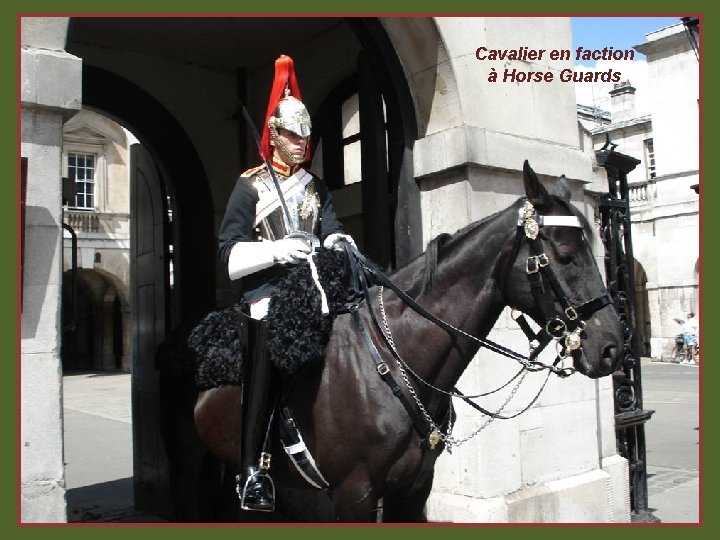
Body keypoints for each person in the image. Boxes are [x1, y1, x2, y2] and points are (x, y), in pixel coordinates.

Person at [217, 54, 354, 512]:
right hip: (267, 291)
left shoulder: (316, 188)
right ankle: (251, 468)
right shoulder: (249, 186)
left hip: (314, 286)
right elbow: (229, 255)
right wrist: (277, 250)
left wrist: (339, 240)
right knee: (266, 335)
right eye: (294, 135)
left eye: (306, 136)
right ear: (274, 135)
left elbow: (330, 227)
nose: (302, 143)